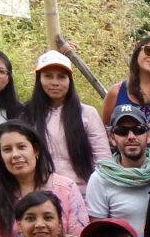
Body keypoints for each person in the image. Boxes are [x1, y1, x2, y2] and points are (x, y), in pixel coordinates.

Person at [0, 121, 88, 237]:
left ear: (35, 150)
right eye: (7, 150)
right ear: (0, 156)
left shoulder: (66, 188)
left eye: (21, 147)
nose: (15, 155)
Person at [20, 50, 111, 196]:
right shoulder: (27, 115)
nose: (55, 83)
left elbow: (103, 160)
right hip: (40, 196)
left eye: (61, 77)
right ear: (39, 79)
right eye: (48, 76)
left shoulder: (87, 113)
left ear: (70, 80)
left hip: (83, 194)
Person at [85, 104, 150, 233]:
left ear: (149, 135)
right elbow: (98, 234)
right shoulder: (100, 179)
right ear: (112, 138)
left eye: (138, 129)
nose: (131, 136)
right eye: (122, 131)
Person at [101, 35, 150, 149]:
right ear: (138, 52)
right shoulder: (116, 92)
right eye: (149, 50)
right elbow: (103, 134)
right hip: (123, 159)